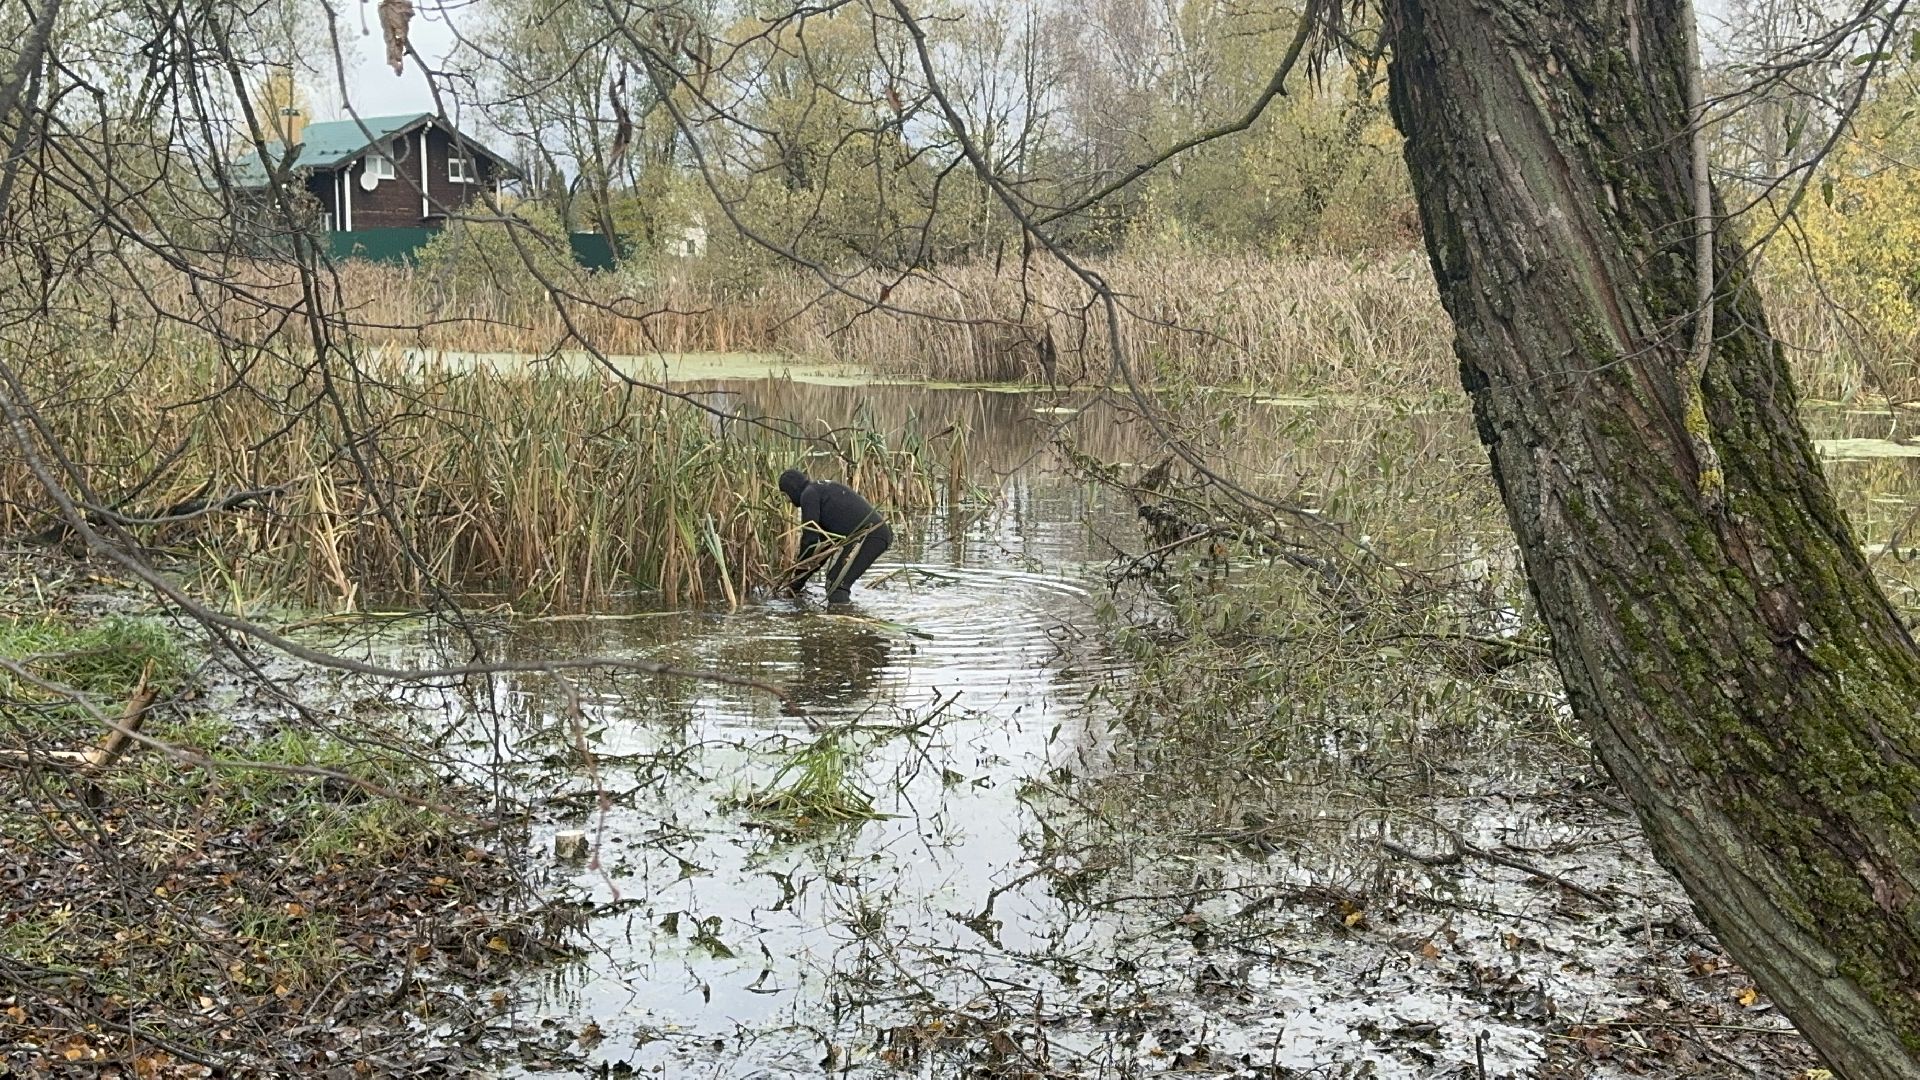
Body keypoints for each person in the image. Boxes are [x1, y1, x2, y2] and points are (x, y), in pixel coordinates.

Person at [779, 468, 893, 604]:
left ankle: (842, 621)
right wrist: (796, 585)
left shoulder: (808, 495)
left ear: (792, 489)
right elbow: (821, 551)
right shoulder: (818, 492)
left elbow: (810, 541)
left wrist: (796, 576)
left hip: (870, 535)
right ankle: (844, 617)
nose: (788, 501)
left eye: (786, 495)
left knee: (836, 585)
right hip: (873, 534)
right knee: (834, 582)